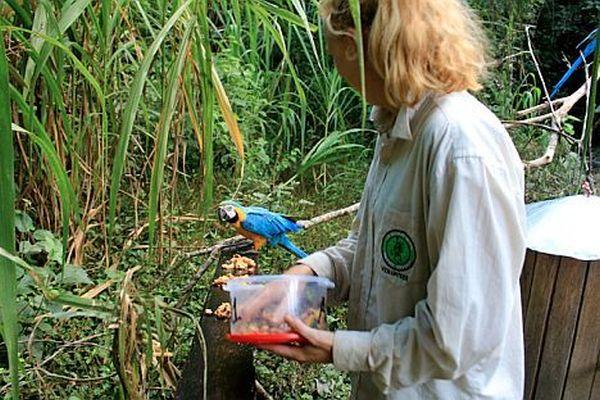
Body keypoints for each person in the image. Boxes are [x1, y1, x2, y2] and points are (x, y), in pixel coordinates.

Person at [256, 0, 527, 398]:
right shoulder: (398, 127)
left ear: (358, 45)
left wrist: (340, 348)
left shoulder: (461, 148)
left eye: (334, 52)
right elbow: (372, 250)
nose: (336, 67)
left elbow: (457, 336)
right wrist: (308, 275)